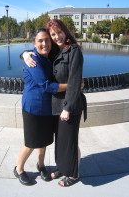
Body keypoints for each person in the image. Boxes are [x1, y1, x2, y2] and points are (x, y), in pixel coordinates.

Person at [23, 19, 86, 187]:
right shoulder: (54, 51)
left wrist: (68, 108)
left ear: (65, 31)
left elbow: (74, 80)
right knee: (61, 141)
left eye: (59, 32)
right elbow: (37, 49)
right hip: (56, 105)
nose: (57, 37)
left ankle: (73, 174)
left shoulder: (74, 52)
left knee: (70, 141)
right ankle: (63, 167)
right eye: (53, 34)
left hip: (69, 105)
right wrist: (24, 54)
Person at [14, 28, 67, 186]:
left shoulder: (48, 56)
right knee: (31, 142)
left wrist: (23, 53)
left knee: (42, 141)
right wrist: (70, 86)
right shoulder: (33, 60)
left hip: (46, 107)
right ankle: (19, 169)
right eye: (40, 41)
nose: (44, 43)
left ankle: (41, 165)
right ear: (34, 43)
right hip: (33, 107)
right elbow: (47, 86)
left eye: (47, 40)